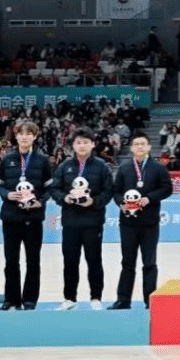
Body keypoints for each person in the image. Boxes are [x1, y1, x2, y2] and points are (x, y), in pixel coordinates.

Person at [50, 127, 115, 309]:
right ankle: (70, 298)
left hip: (93, 222)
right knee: (70, 261)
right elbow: (54, 189)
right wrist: (65, 198)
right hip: (70, 221)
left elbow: (108, 191)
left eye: (86, 142)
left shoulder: (102, 166)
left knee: (94, 261)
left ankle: (96, 297)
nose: (82, 145)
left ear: (93, 144)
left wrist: (94, 201)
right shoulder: (64, 166)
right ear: (73, 145)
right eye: (78, 142)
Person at [111, 132, 173, 309]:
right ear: (131, 148)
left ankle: (150, 300)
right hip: (128, 223)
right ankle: (123, 300)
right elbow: (116, 191)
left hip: (149, 223)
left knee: (150, 263)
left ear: (149, 147)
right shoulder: (124, 168)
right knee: (127, 262)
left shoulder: (158, 167)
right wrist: (121, 203)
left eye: (143, 144)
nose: (139, 146)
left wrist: (149, 198)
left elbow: (167, 188)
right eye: (136, 144)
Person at [0, 120, 52, 311]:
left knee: (33, 260)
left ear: (35, 136)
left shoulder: (42, 160)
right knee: (11, 260)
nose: (25, 137)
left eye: (29, 133)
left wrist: (40, 201)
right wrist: (7, 194)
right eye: (21, 133)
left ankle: (29, 300)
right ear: (16, 136)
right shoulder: (7, 159)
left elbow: (49, 188)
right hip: (11, 217)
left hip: (33, 217)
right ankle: (11, 299)